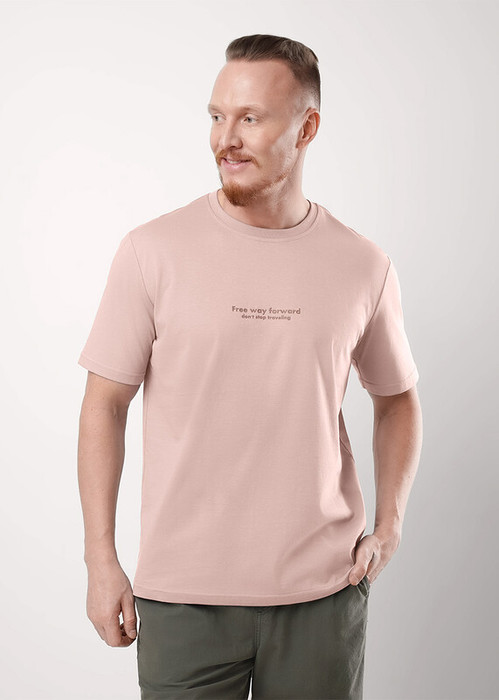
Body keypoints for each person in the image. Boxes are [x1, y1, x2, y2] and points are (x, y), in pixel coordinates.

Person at [77, 33, 423, 700]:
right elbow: (104, 404)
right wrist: (100, 560)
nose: (225, 139)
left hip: (323, 596)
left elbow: (398, 399)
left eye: (251, 118)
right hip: (182, 598)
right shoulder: (152, 251)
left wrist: (391, 525)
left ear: (307, 128)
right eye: (217, 116)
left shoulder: (362, 265)